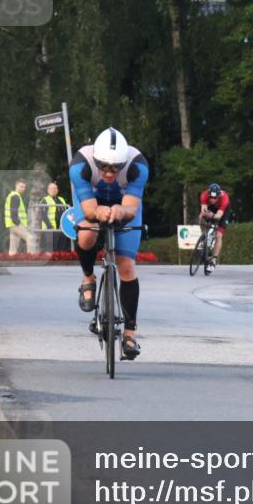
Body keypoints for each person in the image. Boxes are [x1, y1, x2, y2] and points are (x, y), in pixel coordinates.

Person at [69, 127, 149, 359]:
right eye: (103, 166)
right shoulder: (80, 164)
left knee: (126, 265)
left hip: (124, 205)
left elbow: (131, 208)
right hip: (91, 201)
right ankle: (88, 279)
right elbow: (88, 210)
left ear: (124, 162)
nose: (109, 173)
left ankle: (130, 335)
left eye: (116, 167)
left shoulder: (137, 165)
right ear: (95, 159)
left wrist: (119, 211)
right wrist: (99, 212)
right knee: (87, 233)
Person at [198, 182, 231, 268]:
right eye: (211, 197)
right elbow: (203, 211)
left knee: (219, 236)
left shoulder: (224, 198)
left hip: (223, 210)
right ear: (208, 194)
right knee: (201, 216)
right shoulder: (204, 195)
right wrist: (206, 214)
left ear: (219, 196)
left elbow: (218, 216)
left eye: (215, 197)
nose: (212, 199)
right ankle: (204, 236)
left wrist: (212, 215)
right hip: (212, 207)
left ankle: (214, 259)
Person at [4, 178, 36, 255]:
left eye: (24, 187)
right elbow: (13, 213)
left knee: (13, 247)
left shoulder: (13, 195)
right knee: (30, 238)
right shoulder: (15, 196)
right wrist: (19, 224)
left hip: (11, 224)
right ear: (16, 186)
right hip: (15, 224)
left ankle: (11, 263)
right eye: (21, 186)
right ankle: (31, 259)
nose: (23, 189)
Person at [41, 182, 69, 252]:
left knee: (62, 247)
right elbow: (43, 215)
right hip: (50, 229)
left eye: (55, 188)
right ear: (48, 190)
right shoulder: (45, 200)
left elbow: (66, 213)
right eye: (51, 188)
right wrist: (49, 226)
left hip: (61, 228)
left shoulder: (61, 199)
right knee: (51, 248)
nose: (53, 190)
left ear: (58, 190)